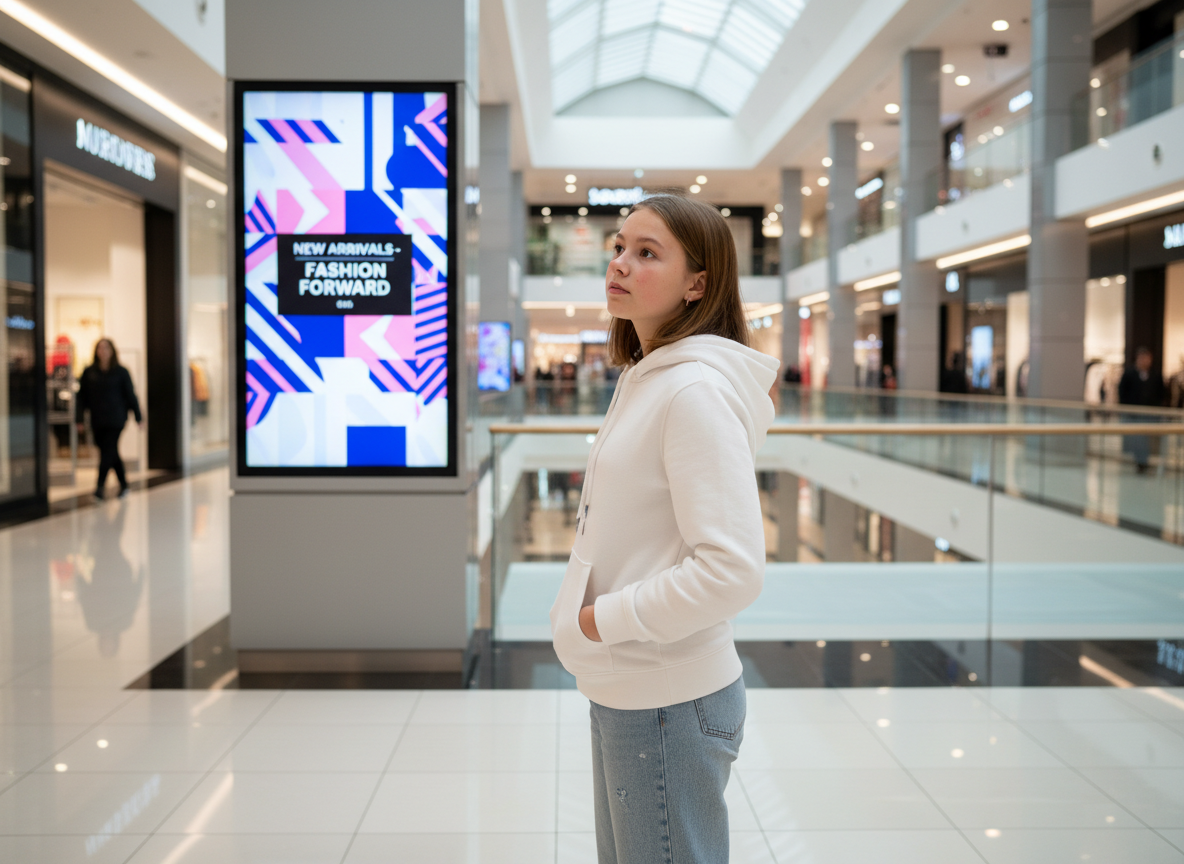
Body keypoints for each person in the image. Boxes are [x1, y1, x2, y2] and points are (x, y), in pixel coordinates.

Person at [549, 194, 777, 863]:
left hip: (666, 700)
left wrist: (602, 620)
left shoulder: (691, 393)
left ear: (697, 283)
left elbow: (732, 570)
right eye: (620, 246)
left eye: (647, 253)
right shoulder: (648, 378)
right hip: (632, 690)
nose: (620, 263)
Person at [76, 338, 142, 501]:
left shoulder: (121, 372)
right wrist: (79, 419)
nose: (103, 351)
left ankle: (99, 488)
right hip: (97, 419)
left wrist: (138, 416)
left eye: (106, 348)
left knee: (107, 450)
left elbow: (130, 395)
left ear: (112, 351)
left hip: (116, 418)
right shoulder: (89, 372)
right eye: (100, 348)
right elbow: (81, 397)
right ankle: (124, 485)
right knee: (109, 451)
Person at [1118, 346, 1165, 474]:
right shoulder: (1129, 374)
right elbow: (1122, 393)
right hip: (1134, 415)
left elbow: (1162, 393)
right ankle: (1140, 461)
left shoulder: (1155, 375)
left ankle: (1144, 461)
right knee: (1137, 439)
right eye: (1142, 358)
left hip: (1151, 415)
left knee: (1148, 440)